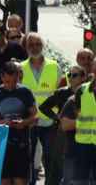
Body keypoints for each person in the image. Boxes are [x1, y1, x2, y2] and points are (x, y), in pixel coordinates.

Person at [19, 32, 62, 184]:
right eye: (31, 45)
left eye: (38, 44)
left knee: (50, 157)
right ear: (26, 47)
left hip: (49, 121)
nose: (35, 48)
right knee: (28, 158)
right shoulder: (20, 68)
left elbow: (60, 92)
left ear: (43, 46)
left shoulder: (54, 66)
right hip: (29, 121)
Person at [0, 61, 38, 185]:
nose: (11, 86)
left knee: (20, 180)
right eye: (7, 82)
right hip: (2, 146)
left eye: (14, 82)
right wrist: (1, 124)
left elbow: (35, 116)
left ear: (18, 77)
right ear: (2, 77)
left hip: (21, 144)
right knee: (4, 181)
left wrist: (24, 123)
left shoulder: (25, 92)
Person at [38, 64, 87, 185]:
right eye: (69, 74)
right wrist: (57, 118)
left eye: (74, 75)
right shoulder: (62, 92)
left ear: (83, 78)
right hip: (62, 135)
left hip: (82, 134)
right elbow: (43, 107)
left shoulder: (88, 93)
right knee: (57, 167)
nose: (70, 78)